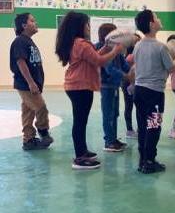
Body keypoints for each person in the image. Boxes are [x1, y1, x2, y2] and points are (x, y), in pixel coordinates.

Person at [55, 11, 122, 170]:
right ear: (80, 26)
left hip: (77, 86)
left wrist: (106, 48)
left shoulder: (77, 43)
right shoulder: (81, 44)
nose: (89, 27)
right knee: (80, 122)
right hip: (80, 87)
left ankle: (82, 151)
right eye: (87, 24)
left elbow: (92, 57)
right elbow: (98, 61)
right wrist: (115, 51)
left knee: (81, 121)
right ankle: (79, 158)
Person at [133, 9, 175, 174]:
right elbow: (172, 67)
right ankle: (149, 161)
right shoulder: (161, 47)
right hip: (154, 94)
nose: (159, 19)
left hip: (139, 91)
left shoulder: (138, 45)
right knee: (154, 127)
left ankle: (143, 160)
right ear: (151, 24)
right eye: (156, 17)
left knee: (143, 126)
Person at [10, 13, 54, 150]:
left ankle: (28, 140)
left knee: (28, 112)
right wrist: (30, 82)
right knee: (41, 107)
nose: (36, 23)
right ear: (24, 26)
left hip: (30, 84)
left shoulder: (28, 41)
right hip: (25, 84)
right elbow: (20, 62)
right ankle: (43, 130)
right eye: (32, 21)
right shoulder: (20, 41)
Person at [95, 23, 130, 152]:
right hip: (106, 86)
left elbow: (124, 64)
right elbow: (109, 68)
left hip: (115, 86)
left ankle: (113, 138)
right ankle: (108, 141)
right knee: (108, 114)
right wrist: (127, 77)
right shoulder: (101, 48)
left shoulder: (116, 50)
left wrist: (132, 69)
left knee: (114, 114)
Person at [121, 33, 141, 139]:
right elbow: (125, 72)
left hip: (139, 83)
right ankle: (129, 129)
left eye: (138, 40)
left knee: (139, 106)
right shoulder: (128, 57)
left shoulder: (141, 54)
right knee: (129, 106)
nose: (137, 43)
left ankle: (140, 129)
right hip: (128, 84)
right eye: (135, 41)